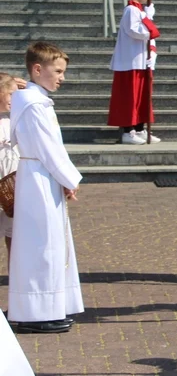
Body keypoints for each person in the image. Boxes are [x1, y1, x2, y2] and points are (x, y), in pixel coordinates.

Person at [8, 42, 83, 334]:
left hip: (41, 175)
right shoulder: (33, 104)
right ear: (37, 69)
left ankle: (47, 307)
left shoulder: (33, 100)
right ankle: (34, 312)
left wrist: (63, 179)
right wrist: (69, 179)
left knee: (49, 244)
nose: (62, 77)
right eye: (58, 71)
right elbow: (49, 148)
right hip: (39, 176)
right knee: (42, 245)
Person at [107, 0, 161, 145]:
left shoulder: (139, 11)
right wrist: (148, 20)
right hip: (130, 62)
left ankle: (139, 128)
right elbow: (136, 31)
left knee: (141, 97)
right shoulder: (131, 10)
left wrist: (146, 17)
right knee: (130, 97)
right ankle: (128, 130)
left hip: (140, 61)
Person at [0, 74, 20, 268]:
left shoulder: (15, 118)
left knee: (14, 234)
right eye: (11, 95)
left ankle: (15, 274)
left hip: (12, 184)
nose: (15, 100)